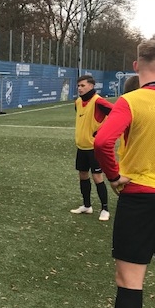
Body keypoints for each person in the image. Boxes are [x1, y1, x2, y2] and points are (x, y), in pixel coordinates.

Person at [76, 39, 155, 308]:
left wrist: (113, 177)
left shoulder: (132, 99)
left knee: (130, 281)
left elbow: (102, 141)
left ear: (137, 65)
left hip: (141, 198)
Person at [69, 74, 113, 221]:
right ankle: (87, 206)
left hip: (95, 148)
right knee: (83, 175)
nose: (79, 88)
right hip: (81, 146)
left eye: (83, 85)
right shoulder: (78, 102)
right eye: (78, 86)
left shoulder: (98, 101)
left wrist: (102, 132)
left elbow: (116, 114)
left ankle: (105, 209)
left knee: (97, 177)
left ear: (91, 86)